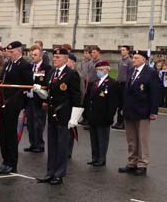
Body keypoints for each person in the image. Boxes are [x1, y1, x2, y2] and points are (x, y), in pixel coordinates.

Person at [36, 47, 82, 185]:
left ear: (65, 59)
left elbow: (76, 96)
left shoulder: (71, 74)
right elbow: (49, 93)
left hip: (64, 114)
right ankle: (50, 172)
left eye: (58, 57)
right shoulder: (51, 72)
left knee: (62, 145)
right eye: (54, 57)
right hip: (51, 113)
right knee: (52, 144)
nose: (54, 59)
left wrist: (74, 118)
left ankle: (59, 174)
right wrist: (40, 93)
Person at [118, 50, 160, 176]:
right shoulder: (132, 71)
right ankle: (132, 161)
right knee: (131, 138)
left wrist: (153, 111)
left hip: (143, 111)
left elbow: (155, 94)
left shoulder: (150, 73)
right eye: (133, 57)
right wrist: (123, 108)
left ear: (144, 60)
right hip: (130, 110)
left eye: (136, 58)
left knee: (142, 139)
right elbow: (127, 91)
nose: (133, 60)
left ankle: (142, 163)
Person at [0, 41, 33, 174]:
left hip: (14, 101)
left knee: (11, 134)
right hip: (4, 100)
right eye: (8, 52)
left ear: (18, 51)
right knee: (3, 133)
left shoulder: (25, 65)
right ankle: (5, 161)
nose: (9, 54)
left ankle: (12, 163)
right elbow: (3, 80)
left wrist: (18, 100)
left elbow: (28, 84)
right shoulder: (8, 64)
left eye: (11, 52)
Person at [85, 61, 118, 167]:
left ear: (106, 70)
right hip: (93, 115)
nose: (98, 72)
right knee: (94, 138)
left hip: (103, 116)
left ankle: (101, 158)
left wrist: (110, 116)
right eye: (97, 70)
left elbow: (113, 103)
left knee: (102, 138)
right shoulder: (95, 82)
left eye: (100, 70)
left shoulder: (112, 83)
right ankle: (94, 157)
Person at [25, 44, 51, 153]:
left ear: (41, 56)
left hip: (40, 99)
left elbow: (48, 86)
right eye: (31, 55)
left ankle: (39, 145)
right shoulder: (29, 67)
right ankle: (33, 144)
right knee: (30, 123)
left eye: (35, 55)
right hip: (29, 98)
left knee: (38, 123)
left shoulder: (47, 68)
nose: (33, 57)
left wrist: (46, 100)